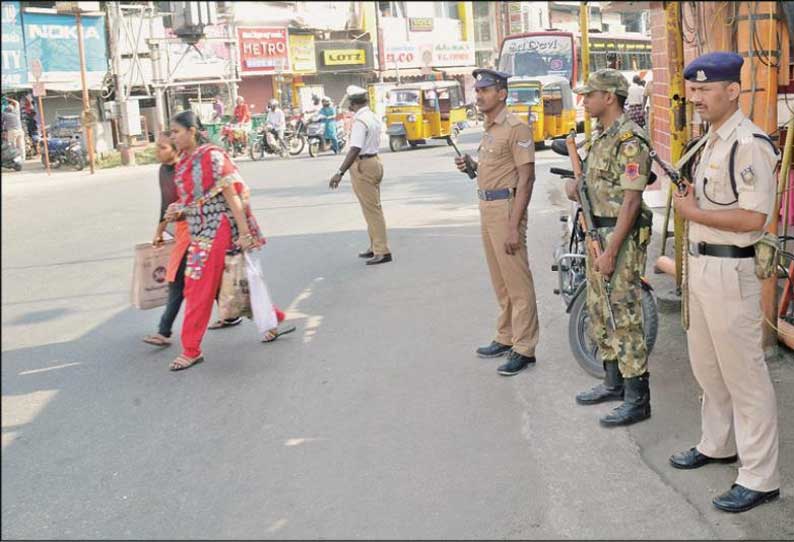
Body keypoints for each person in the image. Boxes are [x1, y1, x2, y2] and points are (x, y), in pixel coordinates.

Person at [670, 51, 781, 513]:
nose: (695, 97)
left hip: (731, 271)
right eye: (692, 89)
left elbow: (755, 217)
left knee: (745, 376)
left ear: (732, 91)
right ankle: (718, 443)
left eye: (704, 89)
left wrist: (693, 213)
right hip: (701, 267)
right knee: (708, 368)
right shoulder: (711, 140)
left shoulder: (749, 143)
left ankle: (760, 476)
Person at [166, 111, 291, 371]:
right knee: (232, 283)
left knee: (197, 286)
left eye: (176, 131)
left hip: (218, 229)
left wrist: (244, 234)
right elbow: (194, 201)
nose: (173, 137)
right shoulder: (184, 162)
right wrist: (178, 209)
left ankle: (191, 349)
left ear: (192, 131)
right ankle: (272, 319)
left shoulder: (212, 157)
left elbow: (233, 198)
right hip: (199, 231)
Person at [566, 69, 654, 425]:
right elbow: (593, 185)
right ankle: (613, 382)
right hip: (596, 235)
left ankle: (638, 398)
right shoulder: (602, 137)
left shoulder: (630, 140)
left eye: (590, 94)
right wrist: (576, 188)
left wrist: (612, 251)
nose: (585, 101)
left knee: (623, 314)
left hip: (620, 237)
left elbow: (631, 202)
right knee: (600, 310)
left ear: (610, 97)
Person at [454, 69, 540, 377]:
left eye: (485, 90)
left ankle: (525, 348)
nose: (478, 95)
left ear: (501, 93)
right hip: (487, 205)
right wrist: (471, 167)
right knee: (500, 281)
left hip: (506, 209)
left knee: (517, 282)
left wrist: (513, 226)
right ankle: (506, 337)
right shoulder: (491, 127)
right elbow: (494, 169)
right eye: (477, 90)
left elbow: (527, 179)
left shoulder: (516, 127)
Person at [328, 85, 391, 266]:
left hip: (364, 164)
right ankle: (374, 246)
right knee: (370, 207)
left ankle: (382, 250)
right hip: (374, 161)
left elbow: (355, 148)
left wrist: (340, 172)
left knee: (372, 210)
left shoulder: (359, 121)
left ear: (353, 104)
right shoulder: (371, 117)